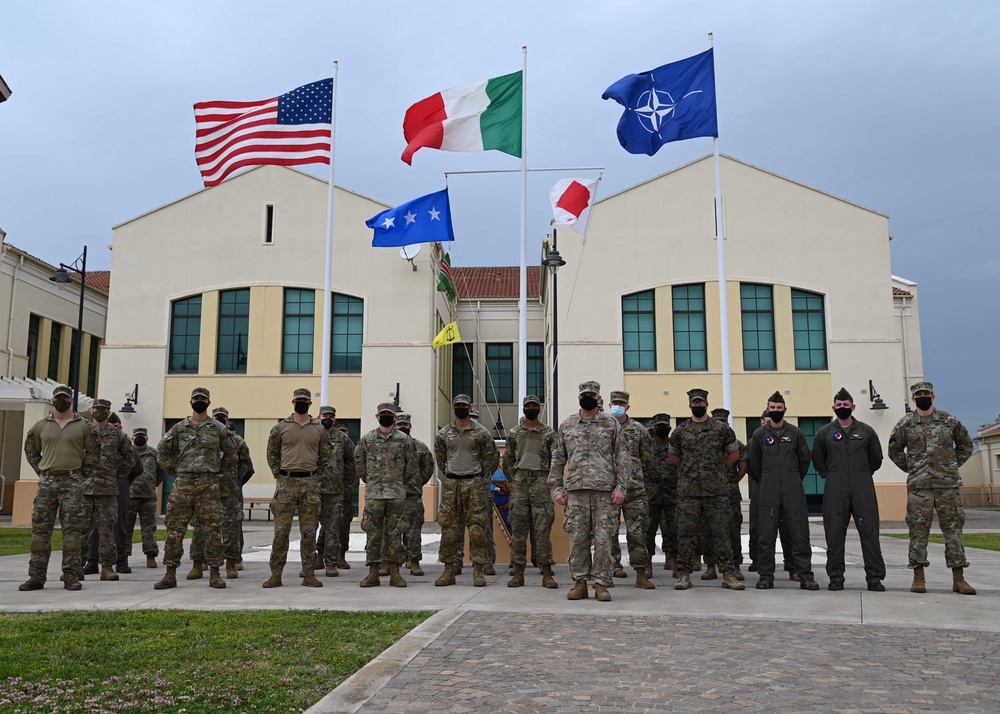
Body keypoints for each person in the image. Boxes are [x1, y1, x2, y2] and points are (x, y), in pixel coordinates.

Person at [888, 381, 976, 595]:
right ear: (913, 399)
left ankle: (959, 578)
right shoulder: (905, 424)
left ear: (933, 397)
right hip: (920, 488)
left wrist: (952, 466)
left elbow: (966, 445)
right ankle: (918, 577)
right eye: (919, 394)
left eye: (926, 393)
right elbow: (894, 450)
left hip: (948, 486)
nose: (923, 397)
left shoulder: (949, 421)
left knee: (953, 531)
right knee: (918, 532)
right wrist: (913, 468)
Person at [548, 381, 629, 602]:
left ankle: (602, 584)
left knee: (604, 540)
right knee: (578, 540)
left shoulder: (611, 424)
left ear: (599, 398)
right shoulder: (567, 425)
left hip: (605, 491)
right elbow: (556, 459)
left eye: (592, 394)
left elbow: (623, 458)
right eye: (585, 394)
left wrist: (621, 487)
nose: (588, 398)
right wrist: (556, 488)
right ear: (579, 398)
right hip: (576, 491)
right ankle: (580, 583)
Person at [154, 387, 238, 590]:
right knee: (175, 530)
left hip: (208, 485)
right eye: (196, 399)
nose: (199, 401)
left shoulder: (218, 429)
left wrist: (215, 471)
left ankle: (215, 574)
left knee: (212, 530)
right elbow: (162, 453)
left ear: (208, 403)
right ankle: (170, 573)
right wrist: (175, 469)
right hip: (182, 484)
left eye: (203, 399)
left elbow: (232, 454)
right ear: (190, 402)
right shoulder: (178, 429)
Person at [20, 385, 100, 591]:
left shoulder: (84, 426)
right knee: (40, 532)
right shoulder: (40, 426)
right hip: (46, 483)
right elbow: (30, 450)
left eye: (65, 397)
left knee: (72, 533)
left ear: (71, 401)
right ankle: (36, 577)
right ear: (52, 401)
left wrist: (81, 474)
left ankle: (71, 576)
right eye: (58, 398)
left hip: (72, 483)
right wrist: (42, 471)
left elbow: (94, 453)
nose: (61, 400)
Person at [669, 388, 744, 592]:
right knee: (686, 534)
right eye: (694, 403)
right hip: (688, 492)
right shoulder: (680, 431)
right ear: (690, 405)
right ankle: (684, 574)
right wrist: (689, 471)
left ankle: (728, 574)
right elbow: (674, 457)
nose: (698, 405)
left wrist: (717, 469)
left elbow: (733, 454)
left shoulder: (721, 429)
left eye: (701, 403)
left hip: (716, 491)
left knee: (721, 533)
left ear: (707, 405)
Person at [811, 387, 886, 591]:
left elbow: (876, 459)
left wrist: (862, 472)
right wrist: (831, 474)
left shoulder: (867, 431)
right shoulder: (824, 433)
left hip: (863, 486)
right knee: (834, 534)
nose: (842, 408)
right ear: (833, 407)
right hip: (835, 486)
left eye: (846, 405)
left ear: (853, 407)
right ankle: (836, 577)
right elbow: (818, 459)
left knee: (869, 532)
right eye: (839, 405)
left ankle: (874, 578)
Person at [748, 391, 818, 590]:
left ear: (785, 409)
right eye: (773, 408)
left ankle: (805, 575)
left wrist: (792, 477)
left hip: (792, 488)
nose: (776, 411)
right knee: (765, 534)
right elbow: (754, 464)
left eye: (779, 408)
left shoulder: (796, 434)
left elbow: (804, 460)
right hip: (768, 489)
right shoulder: (759, 435)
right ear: (768, 409)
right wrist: (767, 479)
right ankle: (765, 576)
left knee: (799, 533)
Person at [263, 387, 331, 588]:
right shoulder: (280, 427)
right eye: (298, 400)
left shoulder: (318, 428)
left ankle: (309, 574)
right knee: (281, 531)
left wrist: (315, 477)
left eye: (305, 400)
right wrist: (281, 475)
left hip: (310, 484)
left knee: (309, 532)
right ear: (293, 402)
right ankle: (276, 575)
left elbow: (325, 455)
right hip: (286, 483)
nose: (301, 402)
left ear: (310, 404)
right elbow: (272, 454)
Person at [434, 394, 500, 588]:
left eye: (464, 405)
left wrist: (479, 475)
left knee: (477, 528)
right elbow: (440, 458)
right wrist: (452, 474)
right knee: (448, 528)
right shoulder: (444, 433)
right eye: (458, 406)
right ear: (453, 409)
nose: (461, 408)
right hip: (452, 485)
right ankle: (448, 570)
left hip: (474, 484)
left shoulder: (481, 433)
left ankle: (478, 571)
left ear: (470, 408)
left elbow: (492, 458)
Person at [355, 402, 416, 587]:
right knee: (373, 534)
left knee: (395, 533)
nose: (386, 416)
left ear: (395, 417)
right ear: (377, 416)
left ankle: (395, 572)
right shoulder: (367, 439)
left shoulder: (404, 440)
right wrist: (371, 481)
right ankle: (373, 572)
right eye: (383, 414)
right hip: (374, 495)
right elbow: (359, 463)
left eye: (389, 414)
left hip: (396, 494)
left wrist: (398, 482)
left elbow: (411, 465)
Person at [187, 406, 251, 580]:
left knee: (231, 529)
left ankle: (231, 564)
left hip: (229, 492)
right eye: (217, 417)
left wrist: (234, 481)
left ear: (228, 420)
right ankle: (198, 564)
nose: (220, 420)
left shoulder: (236, 441)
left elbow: (246, 466)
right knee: (201, 528)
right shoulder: (202, 438)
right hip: (205, 490)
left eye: (223, 418)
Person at [503, 395, 557, 589]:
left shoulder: (549, 433)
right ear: (524, 409)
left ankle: (547, 572)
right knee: (518, 529)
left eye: (535, 405)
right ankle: (518, 573)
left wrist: (549, 480)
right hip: (519, 483)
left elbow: (555, 460)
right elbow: (508, 461)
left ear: (539, 408)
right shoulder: (514, 432)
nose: (531, 408)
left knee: (542, 530)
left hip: (541, 482)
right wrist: (516, 479)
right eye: (528, 406)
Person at [81, 398, 136, 582]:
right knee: (82, 530)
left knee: (107, 530)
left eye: (104, 409)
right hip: (85, 488)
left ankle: (107, 567)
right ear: (91, 410)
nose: (100, 411)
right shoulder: (82, 431)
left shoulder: (118, 435)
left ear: (108, 411)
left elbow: (130, 459)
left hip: (108, 490)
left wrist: (116, 476)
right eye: (97, 408)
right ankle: (79, 566)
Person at [608, 391, 654, 589]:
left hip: (634, 490)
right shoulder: (605, 427)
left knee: (637, 533)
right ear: (609, 404)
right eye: (615, 402)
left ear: (628, 406)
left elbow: (647, 458)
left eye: (621, 403)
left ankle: (641, 573)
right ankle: (613, 567)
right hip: (609, 488)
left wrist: (632, 475)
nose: (618, 405)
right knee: (608, 532)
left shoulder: (639, 429)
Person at [314, 405, 355, 577]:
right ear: (318, 417)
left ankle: (331, 563)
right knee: (310, 527)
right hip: (313, 489)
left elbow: (352, 461)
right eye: (325, 415)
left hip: (335, 491)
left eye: (331, 416)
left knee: (333, 528)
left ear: (335, 419)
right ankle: (315, 559)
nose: (327, 418)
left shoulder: (343, 439)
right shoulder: (312, 435)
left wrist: (346, 483)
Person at [393, 412, 435, 576]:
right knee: (392, 531)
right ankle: (392, 562)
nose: (402, 427)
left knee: (413, 532)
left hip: (412, 495)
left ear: (410, 426)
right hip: (392, 495)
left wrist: (417, 482)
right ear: (395, 426)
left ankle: (414, 561)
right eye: (400, 425)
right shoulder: (390, 445)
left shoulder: (420, 447)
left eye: (405, 425)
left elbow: (428, 467)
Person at [711, 407, 748, 581]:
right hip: (710, 492)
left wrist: (732, 480)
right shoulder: (708, 443)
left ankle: (735, 565)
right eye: (716, 422)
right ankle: (711, 566)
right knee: (709, 530)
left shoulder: (736, 444)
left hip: (730, 493)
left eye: (723, 422)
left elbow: (743, 466)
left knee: (733, 529)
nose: (720, 425)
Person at [125, 427, 165, 570]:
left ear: (147, 438)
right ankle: (123, 557)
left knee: (149, 529)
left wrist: (153, 484)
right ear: (132, 438)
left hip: (148, 497)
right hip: (129, 497)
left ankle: (151, 556)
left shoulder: (154, 454)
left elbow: (161, 472)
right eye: (137, 436)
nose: (140, 438)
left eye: (142, 436)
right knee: (125, 528)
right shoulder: (127, 453)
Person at [644, 413, 677, 573]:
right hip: (651, 494)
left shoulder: (675, 445)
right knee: (648, 531)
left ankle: (673, 559)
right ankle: (647, 562)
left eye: (664, 426)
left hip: (672, 494)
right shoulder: (647, 445)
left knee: (673, 529)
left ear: (670, 428)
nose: (662, 429)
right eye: (659, 427)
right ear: (653, 428)